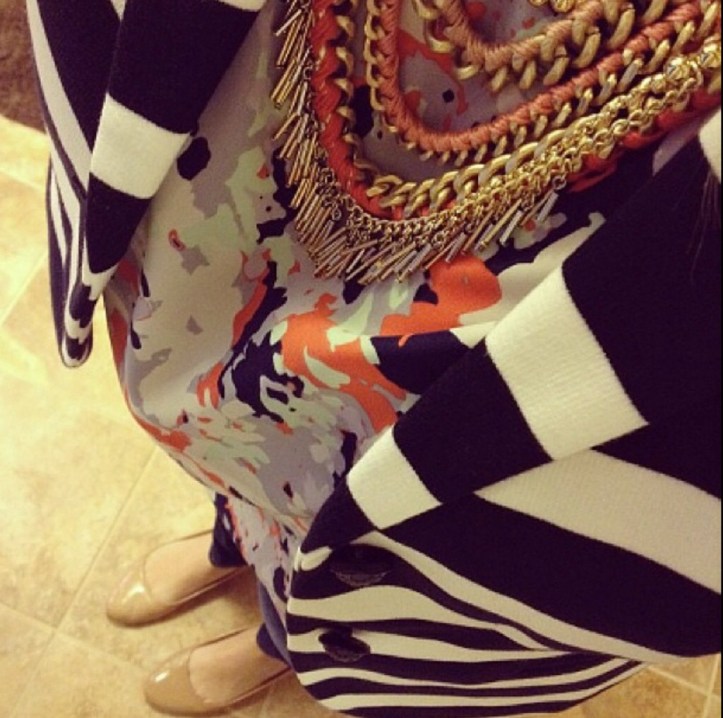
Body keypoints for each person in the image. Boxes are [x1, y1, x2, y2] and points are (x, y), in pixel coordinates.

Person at [27, 0, 721, 715]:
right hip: (298, 90)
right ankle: (232, 540)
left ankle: (280, 640)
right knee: (221, 381)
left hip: (589, 275)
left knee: (368, 510)